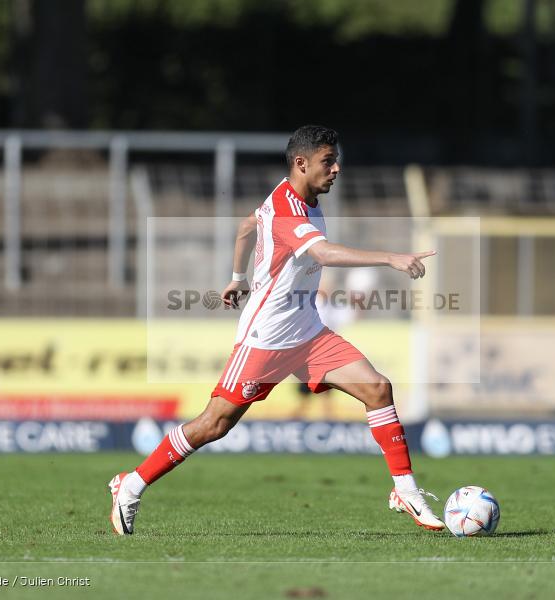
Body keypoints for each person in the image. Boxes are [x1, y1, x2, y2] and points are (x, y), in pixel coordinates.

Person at [108, 125, 443, 534]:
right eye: (328, 161)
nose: (336, 168)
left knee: (377, 388)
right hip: (265, 339)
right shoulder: (288, 208)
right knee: (214, 424)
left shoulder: (303, 199)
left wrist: (236, 276)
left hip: (307, 332)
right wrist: (390, 257)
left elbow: (247, 227)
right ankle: (132, 484)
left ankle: (405, 490)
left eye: (335, 160)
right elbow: (321, 252)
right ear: (301, 163)